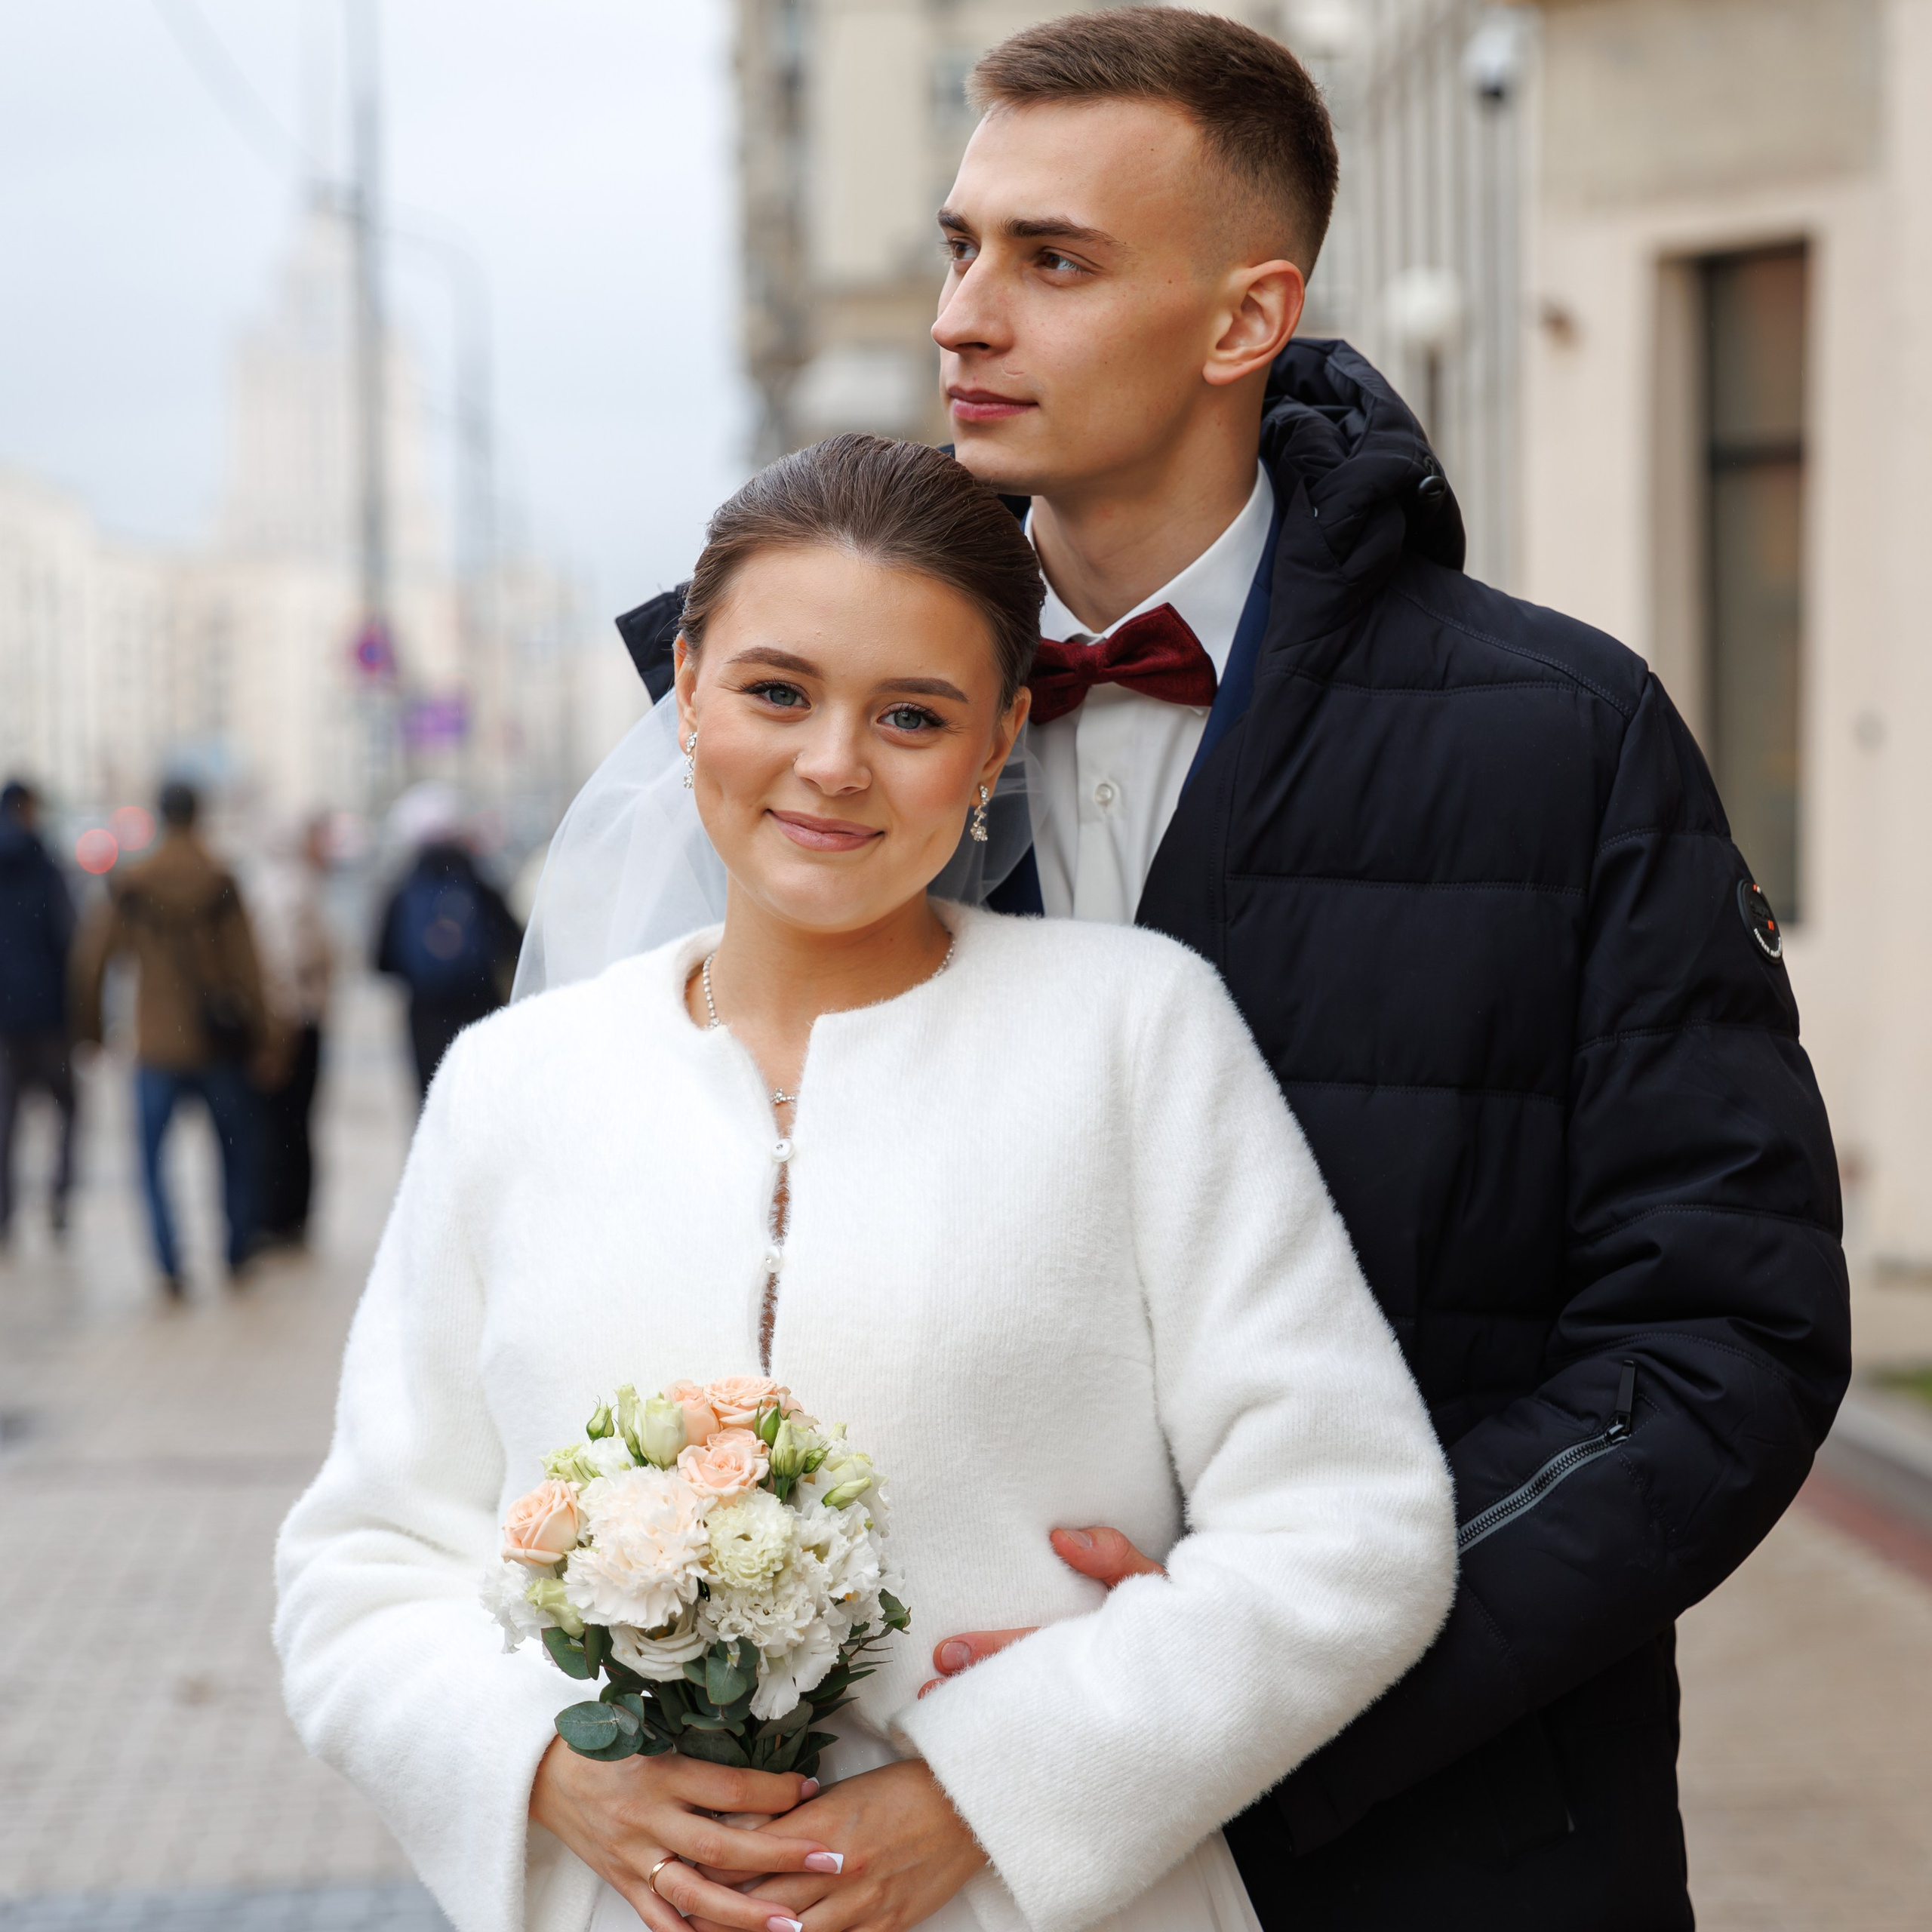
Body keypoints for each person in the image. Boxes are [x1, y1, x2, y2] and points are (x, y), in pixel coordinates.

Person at [610, 13, 1852, 1929]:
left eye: (1051, 259)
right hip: (910, 1863)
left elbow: (1718, 1344)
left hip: (1433, 1844)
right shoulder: (822, 758)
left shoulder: (1560, 736)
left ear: (1239, 316)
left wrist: (1210, 1689)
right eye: (959, 244)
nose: (962, 314)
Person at [275, 435, 1459, 1932]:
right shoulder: (517, 1084)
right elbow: (363, 1558)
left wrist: (986, 1788)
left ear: (996, 741)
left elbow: (1352, 1522)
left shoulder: (1131, 1028)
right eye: (777, 690)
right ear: (688, 684)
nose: (832, 762)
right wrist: (543, 1770)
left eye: (911, 713)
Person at [73, 780, 269, 1297]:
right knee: (233, 1151)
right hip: (216, 1044)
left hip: (156, 1044)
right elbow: (250, 968)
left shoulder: (134, 883)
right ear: (199, 815)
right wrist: (267, 1036)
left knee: (151, 1161)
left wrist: (90, 1032)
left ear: (161, 816)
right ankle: (236, 1251)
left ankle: (169, 1265)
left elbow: (92, 962)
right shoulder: (221, 878)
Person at [374, 809, 521, 1101]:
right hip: (480, 1008)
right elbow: (513, 942)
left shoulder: (403, 890)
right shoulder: (480, 884)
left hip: (425, 1017)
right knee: (482, 1096)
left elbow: (381, 962)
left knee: (433, 1100)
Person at [249, 813, 335, 1246]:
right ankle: (292, 1216)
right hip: (297, 1021)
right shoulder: (296, 889)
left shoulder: (262, 886)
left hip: (280, 1020)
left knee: (276, 1123)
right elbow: (300, 957)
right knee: (296, 1122)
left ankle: (278, 1216)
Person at [0, 779, 78, 1246]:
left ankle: (3, 1216)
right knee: (68, 1111)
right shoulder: (46, 864)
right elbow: (68, 937)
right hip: (48, 1014)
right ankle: (59, 1201)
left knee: (5, 1124)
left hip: (3, 1023)